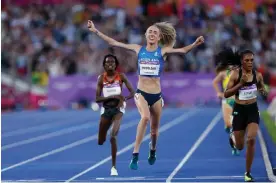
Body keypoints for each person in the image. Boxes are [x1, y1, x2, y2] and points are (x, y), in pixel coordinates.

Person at [88, 20, 204, 170]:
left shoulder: (163, 51)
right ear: (145, 35)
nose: (152, 34)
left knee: (154, 132)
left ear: (159, 37)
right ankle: (135, 154)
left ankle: (153, 150)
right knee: (145, 117)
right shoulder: (138, 49)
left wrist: (195, 44)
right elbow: (114, 42)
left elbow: (182, 51)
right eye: (150, 31)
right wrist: (95, 30)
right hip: (141, 92)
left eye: (155, 32)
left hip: (156, 96)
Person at [224, 49, 268, 182]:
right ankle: (233, 136)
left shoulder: (258, 75)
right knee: (240, 146)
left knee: (251, 140)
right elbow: (226, 94)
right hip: (239, 110)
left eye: (251, 60)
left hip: (252, 109)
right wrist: (240, 84)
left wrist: (262, 90)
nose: (250, 63)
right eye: (247, 60)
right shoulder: (235, 75)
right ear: (242, 62)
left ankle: (247, 173)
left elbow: (261, 88)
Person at [95, 54, 135, 176]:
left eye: (112, 62)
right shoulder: (101, 78)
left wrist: (124, 99)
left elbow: (133, 92)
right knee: (101, 140)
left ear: (116, 64)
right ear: (104, 65)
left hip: (118, 110)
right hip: (106, 109)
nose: (110, 64)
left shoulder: (121, 76)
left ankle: (113, 167)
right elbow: (97, 99)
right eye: (107, 62)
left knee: (113, 136)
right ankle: (103, 135)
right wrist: (112, 96)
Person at [212, 48, 240, 155]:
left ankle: (235, 147)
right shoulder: (224, 73)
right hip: (227, 101)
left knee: (236, 126)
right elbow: (214, 82)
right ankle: (231, 133)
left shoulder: (240, 73)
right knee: (229, 124)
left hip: (238, 101)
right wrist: (219, 93)